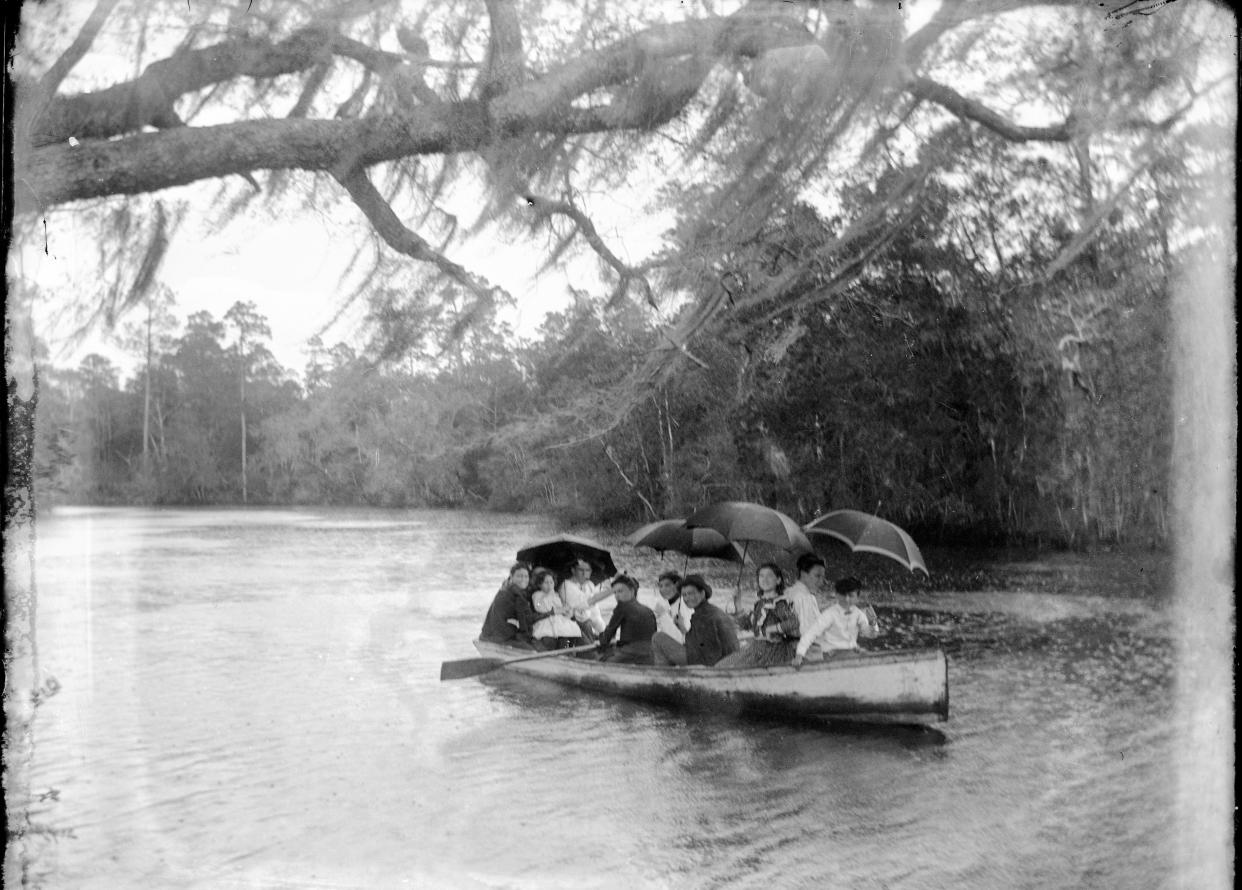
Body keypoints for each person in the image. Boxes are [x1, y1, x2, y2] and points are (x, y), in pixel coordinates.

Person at [715, 563, 800, 668]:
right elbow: (748, 626)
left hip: (773, 649)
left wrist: (772, 629)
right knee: (722, 665)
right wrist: (738, 603)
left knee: (735, 668)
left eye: (769, 576)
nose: (765, 579)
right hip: (757, 647)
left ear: (778, 580)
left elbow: (794, 622)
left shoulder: (779, 603)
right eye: (761, 576)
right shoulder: (759, 603)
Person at [792, 576, 879, 666]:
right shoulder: (829, 614)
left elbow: (872, 635)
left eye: (851, 596)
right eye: (843, 595)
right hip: (832, 655)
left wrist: (873, 623)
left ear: (857, 597)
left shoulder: (858, 614)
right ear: (837, 595)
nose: (847, 599)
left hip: (851, 653)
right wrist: (799, 655)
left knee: (872, 659)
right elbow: (810, 634)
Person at [680, 575, 740, 667]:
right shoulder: (709, 610)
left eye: (691, 593)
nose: (687, 598)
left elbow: (709, 652)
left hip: (718, 664)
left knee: (659, 639)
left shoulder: (704, 616)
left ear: (702, 593)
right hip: (729, 659)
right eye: (684, 595)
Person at [597, 574, 657, 664]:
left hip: (631, 652)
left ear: (632, 591)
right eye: (615, 592)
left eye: (620, 591)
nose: (617, 596)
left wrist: (602, 642)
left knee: (602, 660)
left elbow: (609, 633)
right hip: (650, 654)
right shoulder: (648, 610)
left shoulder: (622, 606)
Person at [479, 562, 537, 649]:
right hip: (499, 638)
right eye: (519, 576)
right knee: (535, 648)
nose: (523, 579)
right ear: (512, 577)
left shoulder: (505, 589)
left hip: (487, 634)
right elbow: (524, 623)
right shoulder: (517, 594)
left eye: (526, 576)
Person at [530, 567, 583, 650]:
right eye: (546, 582)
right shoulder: (537, 595)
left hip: (560, 622)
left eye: (551, 582)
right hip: (547, 622)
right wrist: (547, 596)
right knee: (549, 638)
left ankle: (566, 651)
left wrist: (565, 610)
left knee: (567, 635)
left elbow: (560, 607)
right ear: (539, 584)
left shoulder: (556, 595)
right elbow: (539, 606)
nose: (549, 585)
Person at [650, 571, 692, 666]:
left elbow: (680, 639)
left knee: (658, 637)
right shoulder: (670, 605)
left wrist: (663, 616)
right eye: (660, 586)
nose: (663, 589)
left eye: (667, 585)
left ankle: (663, 674)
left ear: (676, 585)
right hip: (680, 650)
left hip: (689, 653)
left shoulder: (683, 605)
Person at [559, 558, 607, 638]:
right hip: (573, 622)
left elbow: (594, 611)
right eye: (581, 570)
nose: (584, 573)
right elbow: (580, 606)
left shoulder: (589, 585)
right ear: (573, 570)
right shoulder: (566, 586)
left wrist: (602, 629)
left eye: (588, 570)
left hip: (589, 623)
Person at [784, 552, 826, 638]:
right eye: (817, 576)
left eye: (823, 577)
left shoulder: (788, 591)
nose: (822, 582)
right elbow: (807, 632)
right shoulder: (805, 598)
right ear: (803, 574)